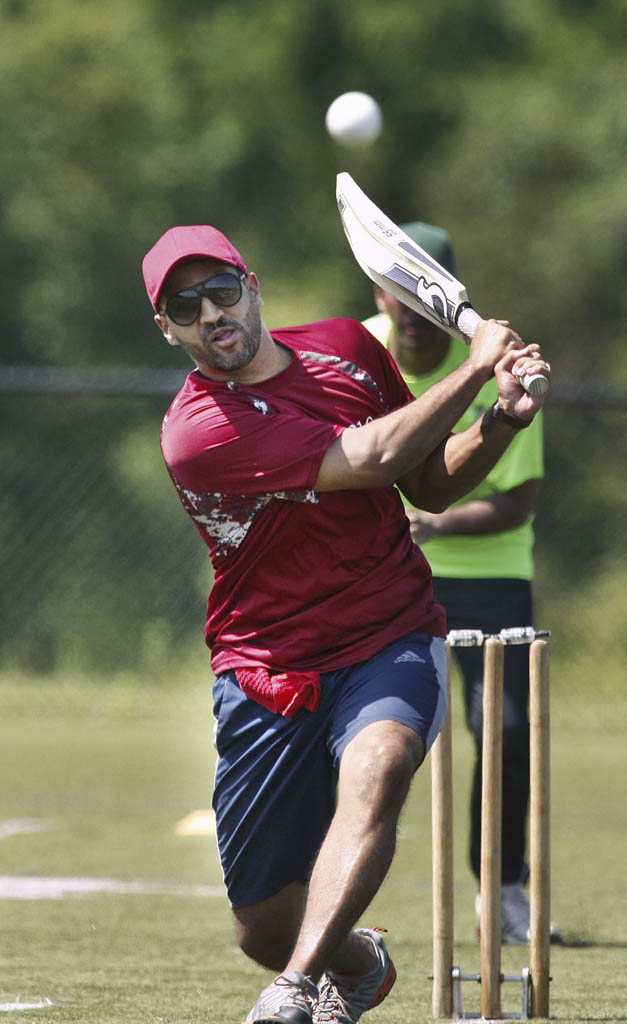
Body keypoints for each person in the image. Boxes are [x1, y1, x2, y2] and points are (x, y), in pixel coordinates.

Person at [141, 223, 551, 1024]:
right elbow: (367, 459)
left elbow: (426, 484)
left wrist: (499, 420)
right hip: (267, 664)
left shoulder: (344, 349)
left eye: (220, 289)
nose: (210, 313)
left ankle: (294, 991)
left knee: (381, 764)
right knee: (262, 925)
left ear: (250, 283)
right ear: (167, 328)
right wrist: (473, 365)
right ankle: (354, 960)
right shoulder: (199, 432)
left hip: (387, 628)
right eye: (184, 305)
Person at [363, 221, 561, 945]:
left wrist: (435, 525)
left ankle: (502, 891)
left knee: (505, 730)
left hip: (488, 578)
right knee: (358, 732)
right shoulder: (356, 351)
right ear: (379, 291)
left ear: (450, 298)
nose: (411, 311)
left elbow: (516, 500)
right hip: (384, 574)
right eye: (399, 293)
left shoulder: (504, 362)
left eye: (426, 294)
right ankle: (319, 889)